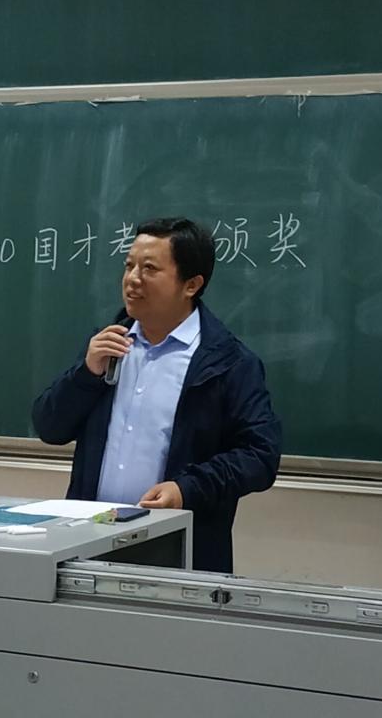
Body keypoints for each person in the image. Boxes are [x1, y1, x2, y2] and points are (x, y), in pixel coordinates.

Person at [32, 217, 281, 573]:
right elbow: (49, 427)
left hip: (179, 550)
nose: (133, 279)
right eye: (129, 265)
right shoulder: (109, 345)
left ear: (191, 284)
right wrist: (86, 373)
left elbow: (260, 456)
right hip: (89, 541)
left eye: (149, 269)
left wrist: (186, 489)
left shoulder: (228, 363)